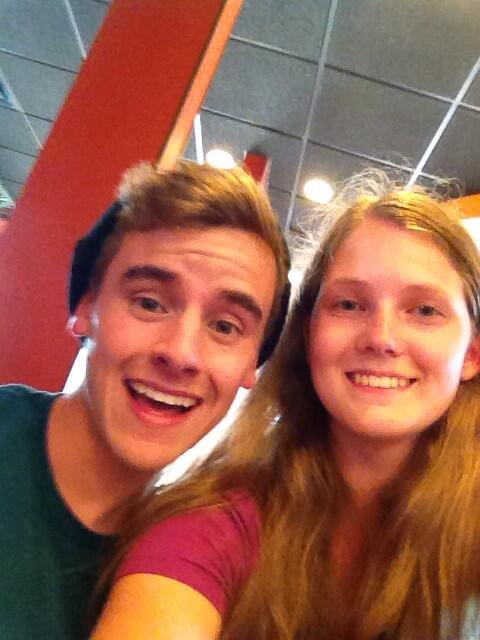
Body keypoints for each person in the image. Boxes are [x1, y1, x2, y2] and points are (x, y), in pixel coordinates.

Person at [92, 176, 480, 640]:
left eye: (424, 311)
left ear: (472, 353)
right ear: (308, 334)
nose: (382, 338)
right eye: (349, 304)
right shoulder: (214, 522)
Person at [0, 160, 290, 640]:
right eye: (149, 302)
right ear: (86, 307)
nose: (181, 354)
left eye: (225, 326)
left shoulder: (193, 561)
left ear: (250, 367)